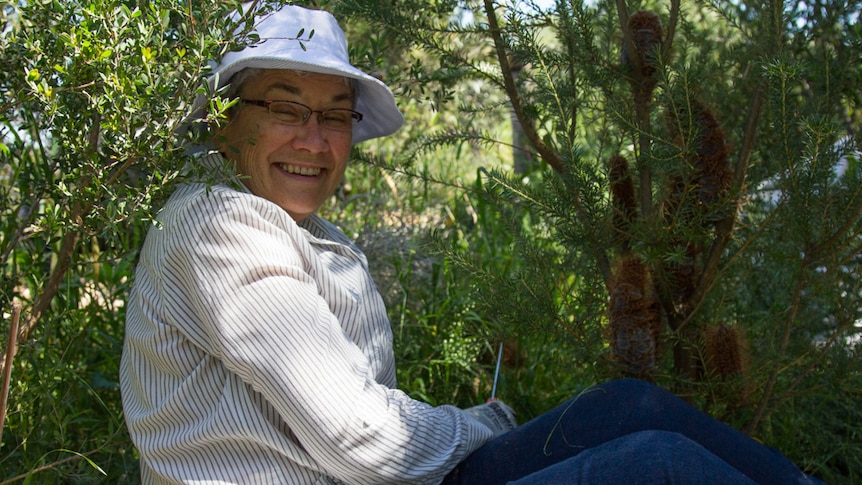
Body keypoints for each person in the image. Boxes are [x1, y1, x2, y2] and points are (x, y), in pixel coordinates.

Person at [119, 4, 822, 484]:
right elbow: (359, 437)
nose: (315, 138)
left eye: (334, 116)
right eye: (285, 109)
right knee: (656, 463)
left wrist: (473, 431)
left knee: (626, 404)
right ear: (222, 121)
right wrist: (479, 426)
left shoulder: (306, 233)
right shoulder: (216, 226)